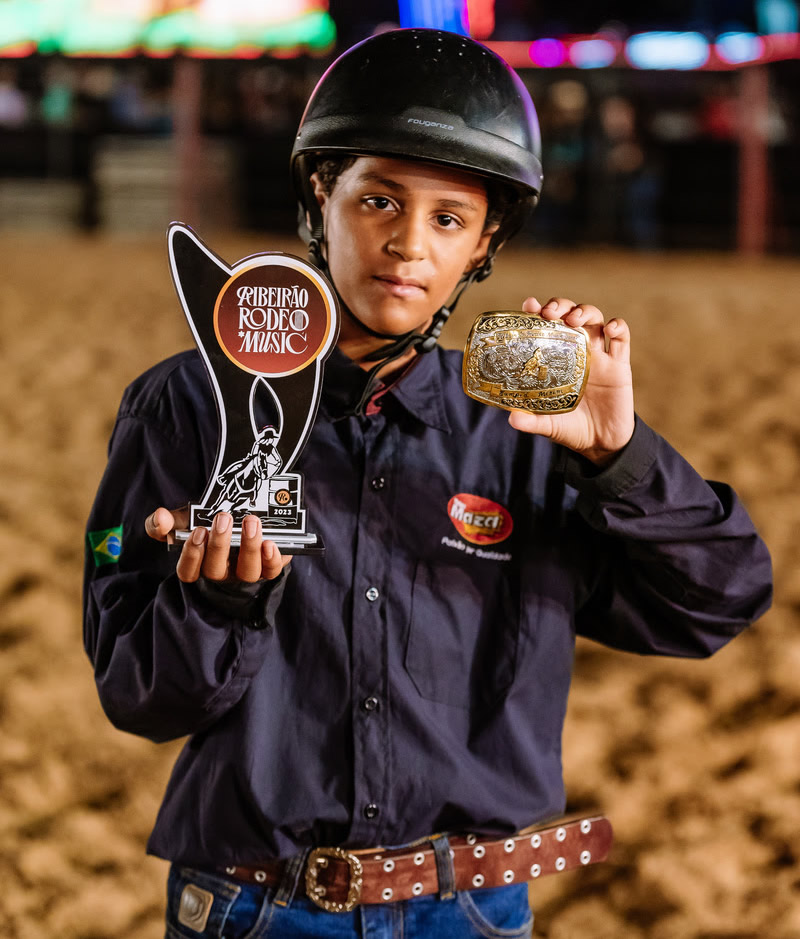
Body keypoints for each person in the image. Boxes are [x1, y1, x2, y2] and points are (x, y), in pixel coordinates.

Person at [83, 28, 772, 939]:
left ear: (484, 242)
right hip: (255, 908)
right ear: (322, 193)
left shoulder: (526, 434)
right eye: (379, 200)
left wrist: (620, 457)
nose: (408, 245)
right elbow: (138, 698)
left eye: (448, 218)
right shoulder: (189, 405)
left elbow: (718, 604)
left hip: (472, 913)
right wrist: (221, 603)